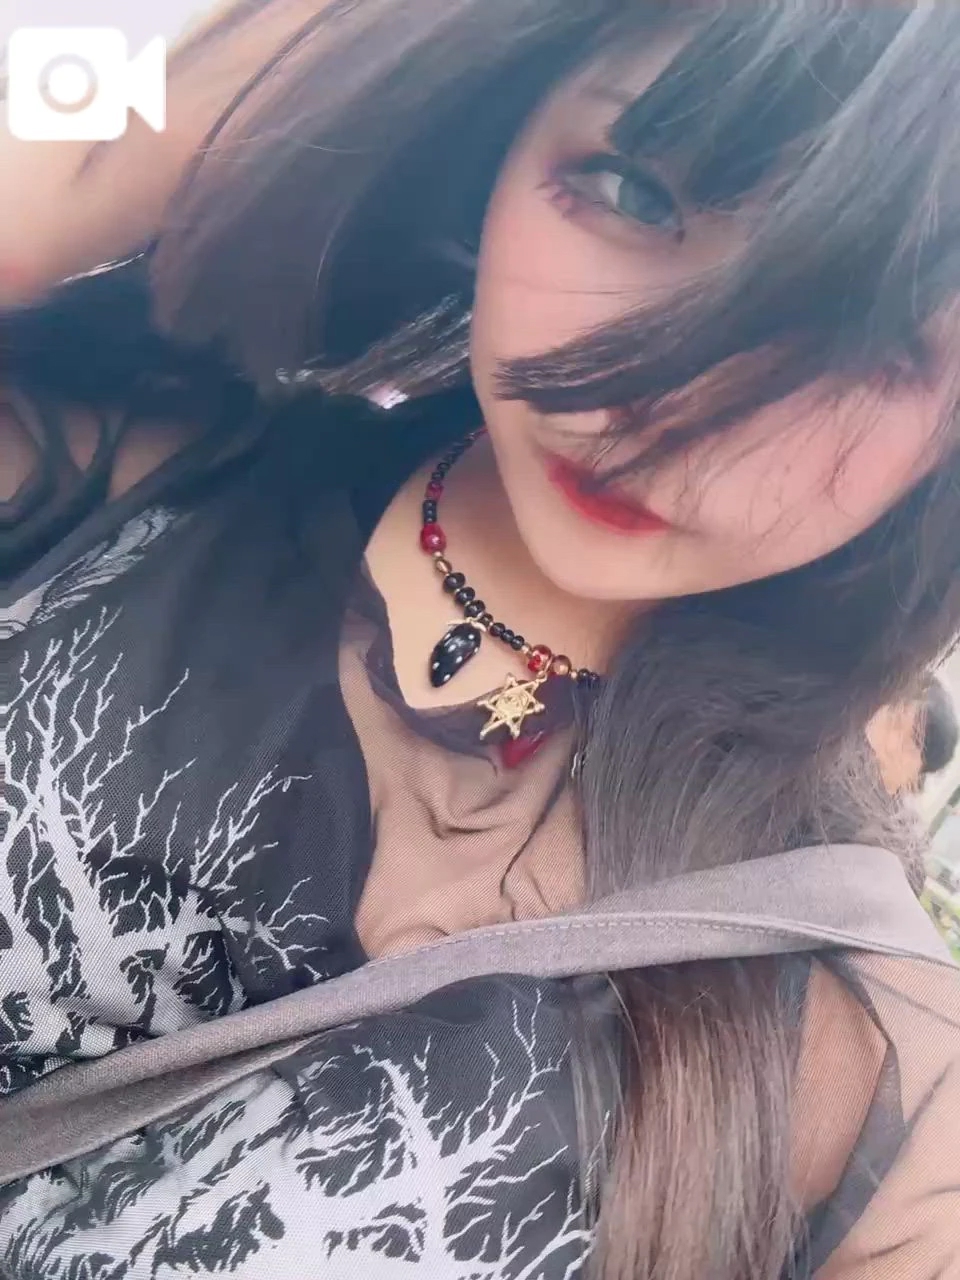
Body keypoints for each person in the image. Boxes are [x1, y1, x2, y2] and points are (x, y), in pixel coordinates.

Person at [2, 3, 960, 1277]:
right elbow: (44, 101)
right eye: (632, 192)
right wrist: (312, 36)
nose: (667, 407)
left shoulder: (883, 1087)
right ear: (499, 138)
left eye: (872, 342)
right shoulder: (144, 461)